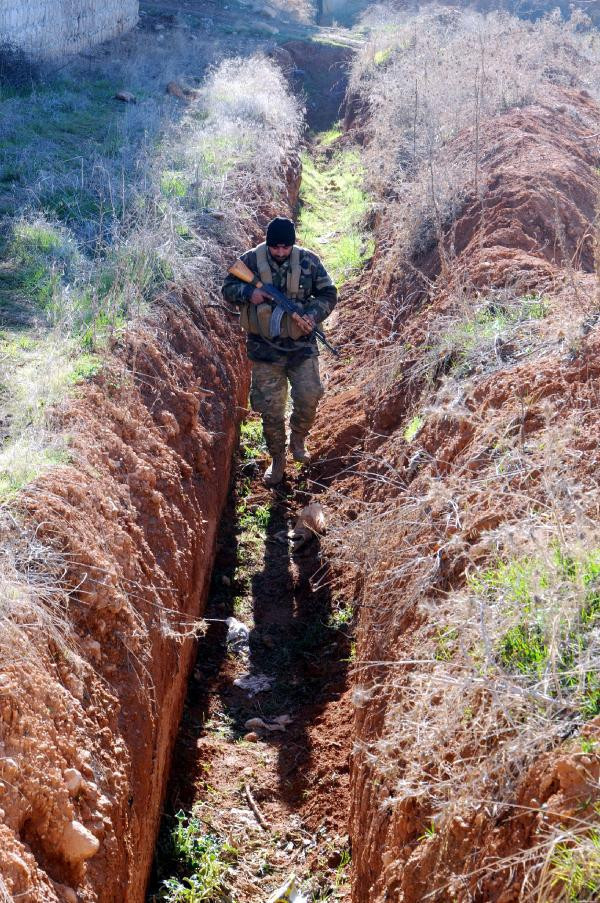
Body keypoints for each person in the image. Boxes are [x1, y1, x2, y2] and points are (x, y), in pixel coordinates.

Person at [222, 216, 337, 485]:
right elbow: (227, 288)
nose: (281, 253)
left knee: (310, 396)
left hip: (301, 347)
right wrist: (249, 294)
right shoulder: (250, 260)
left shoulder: (309, 261)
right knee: (271, 410)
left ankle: (298, 439)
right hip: (265, 350)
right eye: (276, 248)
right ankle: (277, 458)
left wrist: (311, 314)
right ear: (268, 243)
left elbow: (329, 294)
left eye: (286, 248)